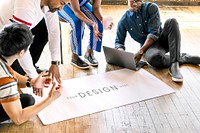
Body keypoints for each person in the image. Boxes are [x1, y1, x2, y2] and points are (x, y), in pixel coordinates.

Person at [115, 0, 200, 82]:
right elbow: (119, 42)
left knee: (172, 21)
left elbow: (153, 34)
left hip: (163, 39)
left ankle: (174, 64)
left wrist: (140, 52)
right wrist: (122, 54)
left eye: (137, 0)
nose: (134, 3)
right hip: (150, 48)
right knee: (154, 59)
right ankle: (182, 58)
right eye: (132, 1)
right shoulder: (124, 19)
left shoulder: (152, 8)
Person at [0, 23, 62, 125]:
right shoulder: (6, 78)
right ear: (21, 53)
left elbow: (9, 72)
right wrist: (50, 99)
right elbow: (19, 118)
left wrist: (31, 82)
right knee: (27, 101)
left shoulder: (4, 69)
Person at [0, 0, 68, 83]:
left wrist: (55, 62)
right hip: (5, 40)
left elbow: (54, 30)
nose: (61, 9)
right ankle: (25, 69)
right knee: (20, 75)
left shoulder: (49, 3)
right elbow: (20, 43)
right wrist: (34, 78)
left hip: (15, 31)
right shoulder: (25, 5)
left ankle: (31, 64)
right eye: (62, 3)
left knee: (44, 28)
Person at [58, 0, 113, 69]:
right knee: (77, 22)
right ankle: (74, 58)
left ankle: (89, 53)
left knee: (98, 23)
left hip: (80, 5)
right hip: (62, 4)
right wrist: (92, 24)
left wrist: (103, 20)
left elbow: (96, 7)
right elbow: (77, 11)